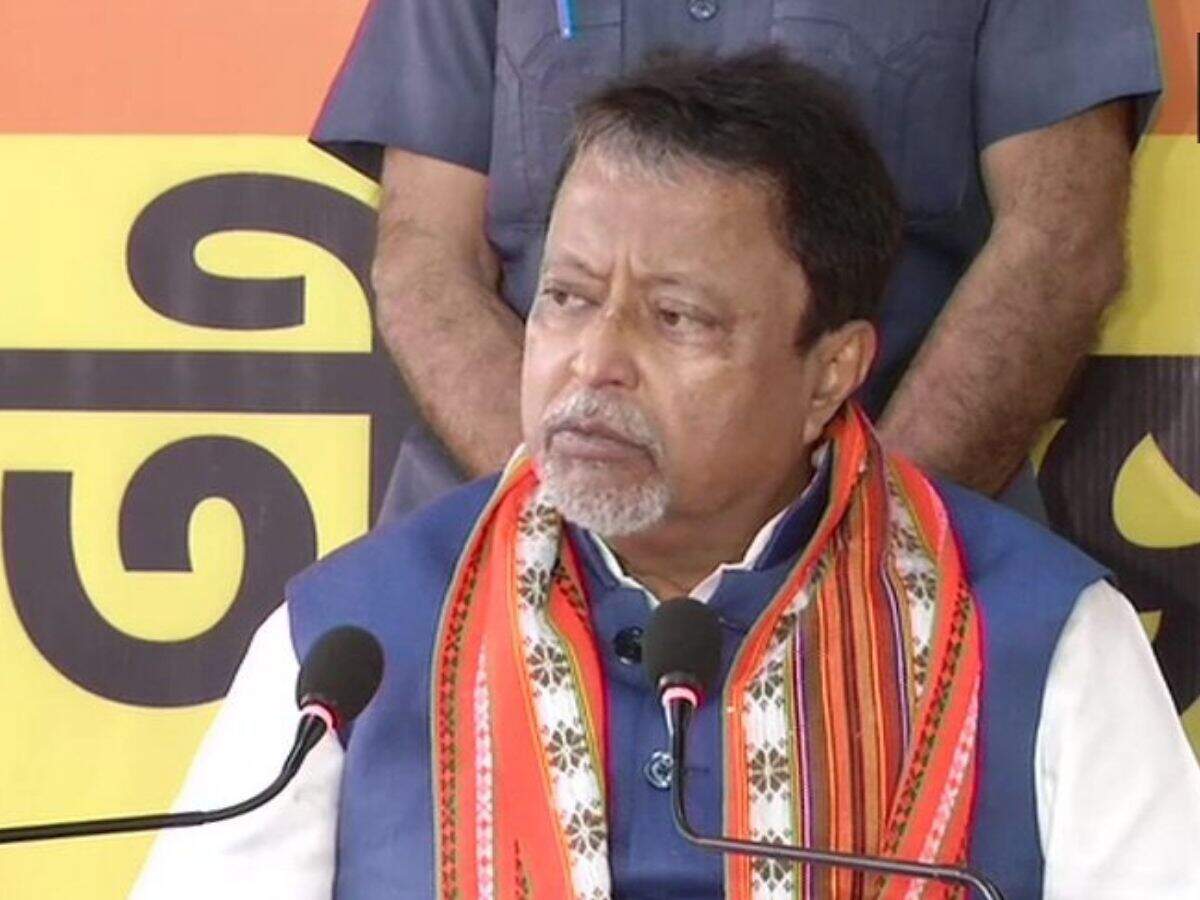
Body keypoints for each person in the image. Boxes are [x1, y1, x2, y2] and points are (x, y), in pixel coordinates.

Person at [134, 51, 1199, 899]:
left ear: (830, 373)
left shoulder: (1039, 637)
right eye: (565, 298)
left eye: (677, 317)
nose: (594, 362)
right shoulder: (349, 648)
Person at [311, 0, 1160, 522]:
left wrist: (865, 538)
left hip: (903, 543)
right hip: (517, 532)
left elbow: (1061, 240)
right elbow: (425, 256)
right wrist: (572, 519)